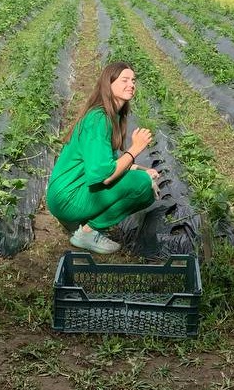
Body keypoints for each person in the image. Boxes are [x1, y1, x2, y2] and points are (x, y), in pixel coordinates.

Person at [47, 61, 158, 254]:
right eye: (124, 80)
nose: (131, 84)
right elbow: (106, 175)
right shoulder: (99, 119)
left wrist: (142, 169)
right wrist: (135, 149)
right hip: (68, 197)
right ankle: (88, 232)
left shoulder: (108, 116)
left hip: (67, 194)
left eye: (133, 80)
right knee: (142, 186)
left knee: (142, 177)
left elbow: (110, 163)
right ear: (109, 84)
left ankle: (79, 221)